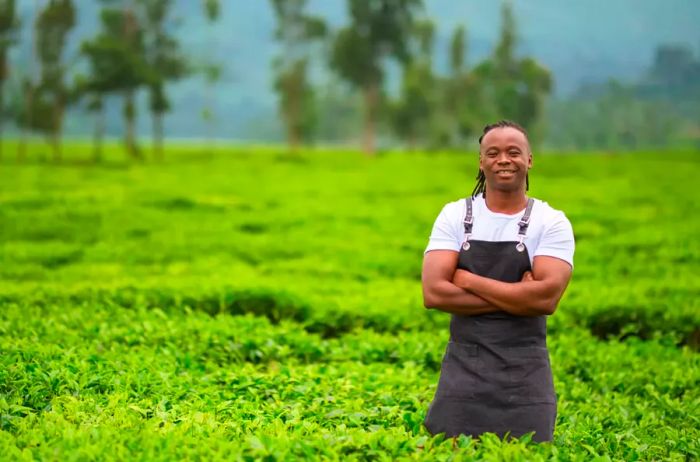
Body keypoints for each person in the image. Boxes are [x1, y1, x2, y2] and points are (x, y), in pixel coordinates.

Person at [421, 120, 575, 443]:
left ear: (529, 159)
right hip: (463, 378)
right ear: (481, 162)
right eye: (493, 153)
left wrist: (467, 280)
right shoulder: (455, 216)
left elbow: (545, 300)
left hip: (526, 378)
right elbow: (434, 292)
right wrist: (519, 295)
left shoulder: (551, 222)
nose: (503, 159)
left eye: (513, 152)